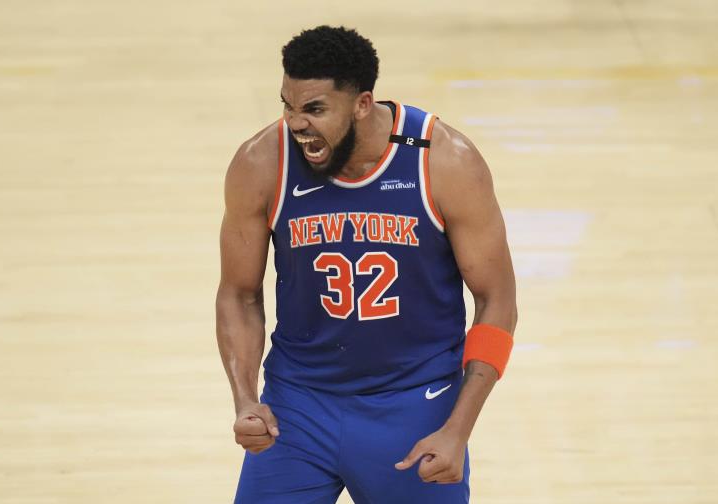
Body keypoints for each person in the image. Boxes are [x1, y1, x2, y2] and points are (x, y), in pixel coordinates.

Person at [216, 25, 517, 503]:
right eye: (288, 106)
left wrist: (458, 430)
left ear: (361, 104)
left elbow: (497, 300)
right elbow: (238, 293)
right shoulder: (262, 162)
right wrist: (246, 400)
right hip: (298, 405)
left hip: (414, 405)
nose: (296, 123)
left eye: (315, 109)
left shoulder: (444, 162)